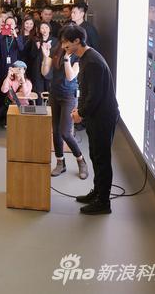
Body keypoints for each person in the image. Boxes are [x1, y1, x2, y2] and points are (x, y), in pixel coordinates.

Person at [63, 25, 119, 215]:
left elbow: (94, 96)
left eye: (66, 42)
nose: (64, 46)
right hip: (96, 116)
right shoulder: (85, 58)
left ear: (77, 41)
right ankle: (97, 193)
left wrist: (81, 113)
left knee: (102, 159)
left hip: (103, 117)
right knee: (96, 155)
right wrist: (80, 109)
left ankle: (103, 202)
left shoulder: (92, 61)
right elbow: (87, 92)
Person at [40, 35, 88, 180]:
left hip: (68, 96)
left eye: (67, 42)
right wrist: (45, 57)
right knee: (55, 131)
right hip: (54, 94)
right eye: (63, 42)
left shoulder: (78, 56)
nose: (64, 45)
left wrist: (67, 59)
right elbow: (44, 72)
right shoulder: (55, 52)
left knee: (65, 132)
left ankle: (81, 160)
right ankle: (60, 162)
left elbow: (70, 76)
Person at [28, 22, 58, 104]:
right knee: (38, 90)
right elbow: (32, 55)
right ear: (39, 30)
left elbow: (56, 55)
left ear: (49, 29)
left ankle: (50, 108)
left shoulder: (55, 40)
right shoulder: (36, 40)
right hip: (37, 68)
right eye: (42, 28)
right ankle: (39, 109)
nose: (44, 30)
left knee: (49, 89)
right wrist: (37, 48)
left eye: (46, 27)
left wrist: (50, 49)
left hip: (49, 67)